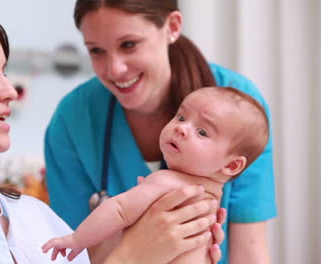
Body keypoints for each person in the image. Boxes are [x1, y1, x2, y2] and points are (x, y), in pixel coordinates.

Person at [0, 5, 225, 264]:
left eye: (5, 72)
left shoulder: (32, 215)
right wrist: (134, 258)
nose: (10, 91)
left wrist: (162, 238)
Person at [45, 0, 277, 263]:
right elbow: (74, 254)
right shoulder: (74, 118)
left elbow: (250, 250)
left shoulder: (240, 107)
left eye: (129, 44)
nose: (115, 69)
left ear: (172, 26)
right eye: (97, 50)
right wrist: (135, 247)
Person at [43, 86, 269, 263]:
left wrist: (76, 239)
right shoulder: (211, 197)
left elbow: (119, 210)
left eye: (202, 132)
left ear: (231, 166)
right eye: (181, 117)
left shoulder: (166, 181)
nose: (182, 128)